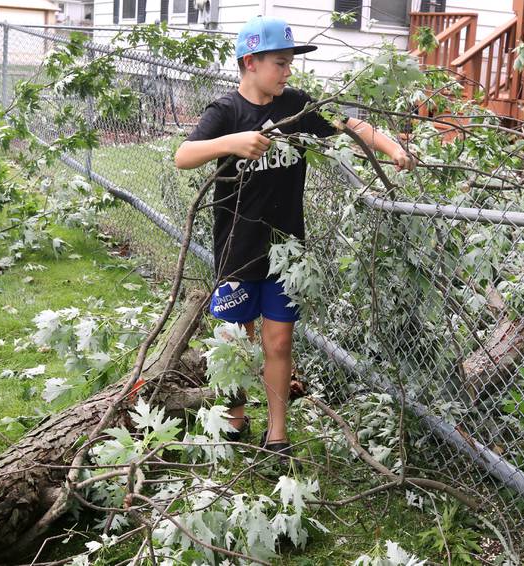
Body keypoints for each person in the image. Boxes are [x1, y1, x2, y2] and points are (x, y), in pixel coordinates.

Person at [174, 15, 415, 464]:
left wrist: (392, 148)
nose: (288, 73)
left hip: (287, 253)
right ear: (251, 62)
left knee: (279, 341)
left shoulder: (297, 106)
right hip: (237, 249)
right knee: (235, 340)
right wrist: (233, 143)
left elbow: (350, 125)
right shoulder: (226, 112)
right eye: (281, 63)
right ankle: (235, 418)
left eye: (289, 64)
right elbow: (183, 156)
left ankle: (278, 434)